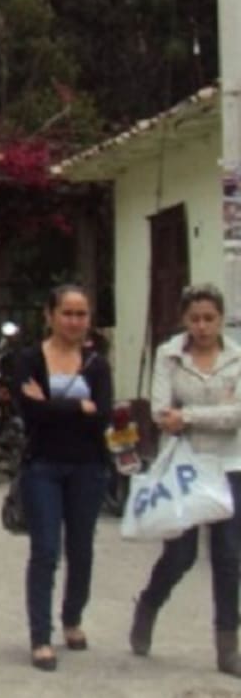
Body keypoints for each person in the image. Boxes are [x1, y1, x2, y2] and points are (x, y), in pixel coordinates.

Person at [130, 283, 241, 676]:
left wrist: (190, 416)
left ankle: (227, 645)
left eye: (209, 318)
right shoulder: (169, 355)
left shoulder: (237, 357)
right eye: (195, 318)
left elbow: (235, 416)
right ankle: (148, 605)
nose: (202, 326)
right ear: (184, 320)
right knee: (181, 554)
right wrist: (183, 418)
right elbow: (162, 412)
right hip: (185, 466)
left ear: (221, 319)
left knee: (229, 556)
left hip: (230, 464)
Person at [12, 284, 112, 671]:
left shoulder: (96, 363)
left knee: (82, 548)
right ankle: (40, 636)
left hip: (88, 466)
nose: (74, 321)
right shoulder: (30, 359)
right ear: (50, 315)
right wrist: (77, 407)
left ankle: (72, 618)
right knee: (45, 550)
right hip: (43, 466)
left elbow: (102, 414)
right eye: (67, 313)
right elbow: (30, 412)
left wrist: (54, 405)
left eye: (81, 314)